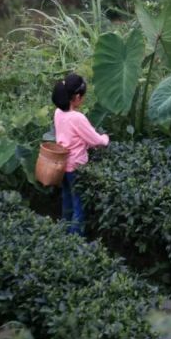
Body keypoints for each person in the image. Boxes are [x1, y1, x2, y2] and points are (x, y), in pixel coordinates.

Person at [52, 73, 109, 235]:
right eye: (83, 96)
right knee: (79, 205)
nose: (83, 99)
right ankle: (75, 241)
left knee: (67, 200)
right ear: (76, 97)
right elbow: (95, 140)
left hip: (62, 165)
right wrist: (105, 139)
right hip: (76, 167)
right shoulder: (77, 118)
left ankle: (64, 232)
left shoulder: (58, 112)